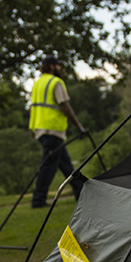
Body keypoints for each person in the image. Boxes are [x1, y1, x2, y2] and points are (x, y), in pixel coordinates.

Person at [27, 55, 89, 208]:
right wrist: (79, 126)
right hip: (52, 128)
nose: (61, 68)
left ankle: (79, 193)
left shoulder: (37, 83)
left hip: (40, 129)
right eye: (58, 65)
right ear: (52, 66)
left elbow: (33, 107)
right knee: (48, 166)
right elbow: (65, 107)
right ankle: (38, 200)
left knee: (65, 164)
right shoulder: (56, 82)